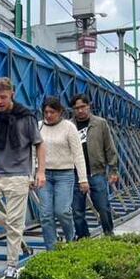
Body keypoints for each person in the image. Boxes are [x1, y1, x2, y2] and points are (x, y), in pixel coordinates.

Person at [0, 77, 44, 279]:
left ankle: (11, 265)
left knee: (16, 224)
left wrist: (40, 171)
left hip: (18, 175)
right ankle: (14, 227)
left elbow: (39, 144)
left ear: (12, 95)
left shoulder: (26, 117)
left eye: (3, 97)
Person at [37, 97, 88, 250]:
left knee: (62, 211)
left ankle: (71, 241)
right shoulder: (38, 127)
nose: (48, 115)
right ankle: (51, 250)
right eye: (46, 112)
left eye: (52, 112)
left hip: (64, 174)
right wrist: (34, 173)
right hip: (44, 175)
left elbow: (78, 154)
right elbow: (34, 151)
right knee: (45, 215)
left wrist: (83, 179)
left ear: (60, 112)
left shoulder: (69, 127)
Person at [69, 93, 120, 239]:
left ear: (89, 106)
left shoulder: (100, 123)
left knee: (103, 207)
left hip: (96, 172)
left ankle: (109, 233)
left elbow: (109, 147)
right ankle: (83, 237)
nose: (80, 110)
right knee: (77, 210)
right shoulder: (69, 126)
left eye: (83, 107)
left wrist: (113, 170)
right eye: (76, 108)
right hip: (76, 174)